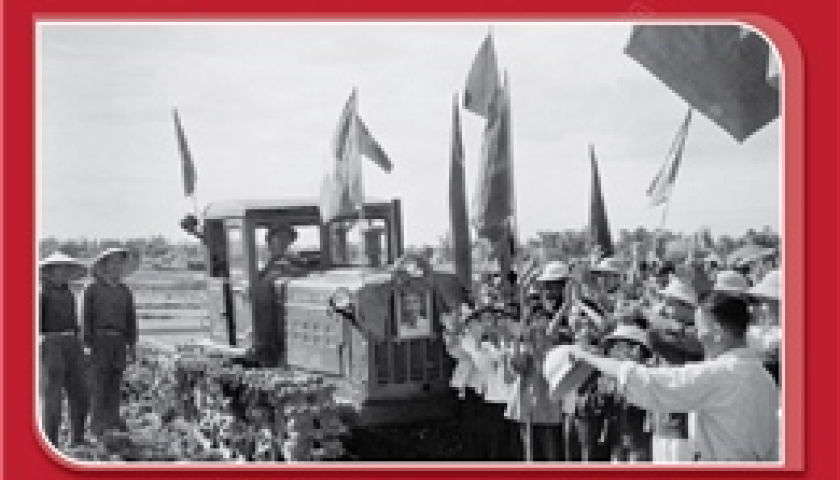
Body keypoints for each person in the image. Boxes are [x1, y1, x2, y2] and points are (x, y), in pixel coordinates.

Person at [563, 292, 779, 462]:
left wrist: (589, 358)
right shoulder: (764, 379)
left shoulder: (720, 374)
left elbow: (647, 381)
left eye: (700, 328)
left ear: (717, 330)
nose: (699, 336)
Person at [83, 248, 139, 437]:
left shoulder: (125, 291)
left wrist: (132, 345)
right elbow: (85, 318)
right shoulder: (92, 289)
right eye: (112, 262)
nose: (117, 266)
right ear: (104, 265)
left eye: (120, 263)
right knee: (98, 384)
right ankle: (96, 426)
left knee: (115, 383)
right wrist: (86, 345)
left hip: (119, 341)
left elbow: (131, 320)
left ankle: (112, 422)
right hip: (99, 341)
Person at [39, 252, 90, 447]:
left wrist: (80, 344)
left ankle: (77, 438)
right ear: (49, 272)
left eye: (66, 269)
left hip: (72, 344)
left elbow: (74, 323)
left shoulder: (69, 294)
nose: (63, 273)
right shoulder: (41, 294)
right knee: (52, 396)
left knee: (80, 392)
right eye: (59, 269)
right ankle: (51, 441)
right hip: (51, 344)